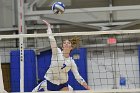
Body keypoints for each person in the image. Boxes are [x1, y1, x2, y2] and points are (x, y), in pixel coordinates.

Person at [32, 20, 91, 91]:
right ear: (62, 46)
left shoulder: (71, 62)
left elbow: (78, 77)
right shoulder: (57, 52)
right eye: (64, 43)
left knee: (69, 90)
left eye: (68, 43)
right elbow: (52, 39)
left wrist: (88, 88)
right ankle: (42, 85)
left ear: (71, 47)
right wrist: (49, 28)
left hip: (63, 84)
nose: (66, 43)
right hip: (50, 82)